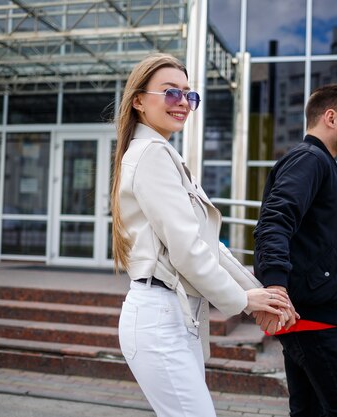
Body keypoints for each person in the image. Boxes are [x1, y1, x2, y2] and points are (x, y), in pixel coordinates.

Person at [110, 53, 293, 417]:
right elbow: (188, 251)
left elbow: (209, 245)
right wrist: (245, 300)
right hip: (159, 316)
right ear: (139, 101)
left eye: (189, 95)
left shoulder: (163, 153)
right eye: (171, 93)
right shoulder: (151, 155)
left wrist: (258, 292)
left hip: (176, 316)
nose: (183, 103)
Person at [253, 83, 337, 417]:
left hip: (316, 319)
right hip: (312, 321)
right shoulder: (309, 159)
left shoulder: (319, 162)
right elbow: (274, 222)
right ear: (331, 117)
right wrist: (275, 285)